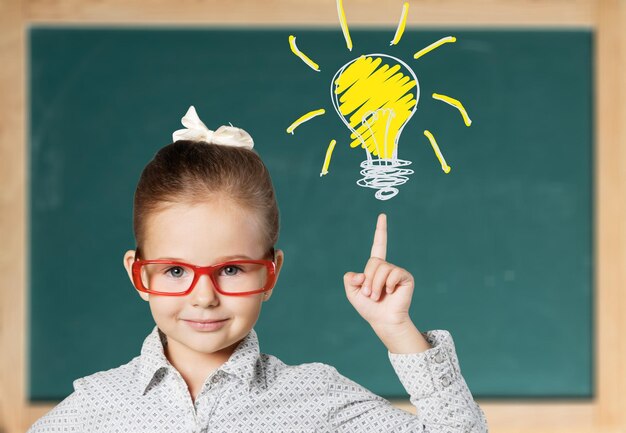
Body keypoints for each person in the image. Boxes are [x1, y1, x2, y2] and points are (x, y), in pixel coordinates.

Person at [28, 106, 488, 433]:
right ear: (139, 275)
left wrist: (397, 329)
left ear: (271, 272)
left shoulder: (316, 397)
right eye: (174, 271)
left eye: (231, 270)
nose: (203, 296)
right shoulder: (96, 407)